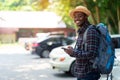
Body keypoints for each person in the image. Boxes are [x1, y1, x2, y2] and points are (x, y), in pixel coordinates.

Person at [63, 6, 101, 80]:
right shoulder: (82, 31)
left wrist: (73, 52)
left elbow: (92, 53)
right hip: (81, 73)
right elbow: (82, 50)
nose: (77, 19)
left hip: (89, 74)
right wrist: (72, 51)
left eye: (80, 16)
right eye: (75, 17)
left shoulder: (91, 31)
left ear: (86, 17)